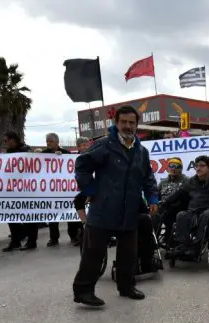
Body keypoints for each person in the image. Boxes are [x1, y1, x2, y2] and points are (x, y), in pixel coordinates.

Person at [72, 106, 159, 306]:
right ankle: (83, 291)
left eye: (132, 123)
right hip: (103, 209)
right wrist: (91, 190)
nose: (128, 126)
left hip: (130, 211)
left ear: (136, 125)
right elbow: (82, 166)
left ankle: (126, 287)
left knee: (128, 253)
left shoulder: (141, 151)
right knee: (94, 252)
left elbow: (148, 178)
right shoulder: (104, 145)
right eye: (124, 122)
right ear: (116, 123)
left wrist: (153, 199)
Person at [163, 155, 209, 260]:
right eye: (196, 166)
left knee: (207, 214)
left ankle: (196, 247)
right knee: (181, 215)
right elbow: (179, 192)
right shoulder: (193, 180)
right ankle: (182, 246)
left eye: (202, 166)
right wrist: (165, 201)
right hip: (195, 211)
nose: (198, 168)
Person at [23, 132, 75, 250]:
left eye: (51, 141)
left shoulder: (66, 153)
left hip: (64, 189)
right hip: (50, 191)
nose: (48, 143)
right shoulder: (43, 155)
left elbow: (71, 168)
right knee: (53, 215)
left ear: (57, 142)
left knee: (69, 213)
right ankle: (54, 238)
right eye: (47, 141)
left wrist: (61, 157)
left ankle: (73, 235)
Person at [2, 131, 29, 252]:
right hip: (11, 189)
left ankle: (24, 236)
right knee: (10, 215)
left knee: (24, 215)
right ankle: (15, 240)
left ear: (13, 140)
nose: (5, 143)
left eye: (6, 141)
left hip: (24, 188)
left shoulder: (25, 151)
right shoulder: (8, 153)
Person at [154, 157, 189, 241]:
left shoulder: (186, 180)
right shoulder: (163, 182)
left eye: (177, 166)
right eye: (171, 166)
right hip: (163, 207)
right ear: (168, 168)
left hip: (179, 208)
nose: (173, 168)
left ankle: (171, 238)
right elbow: (156, 195)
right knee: (154, 215)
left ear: (181, 169)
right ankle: (152, 240)